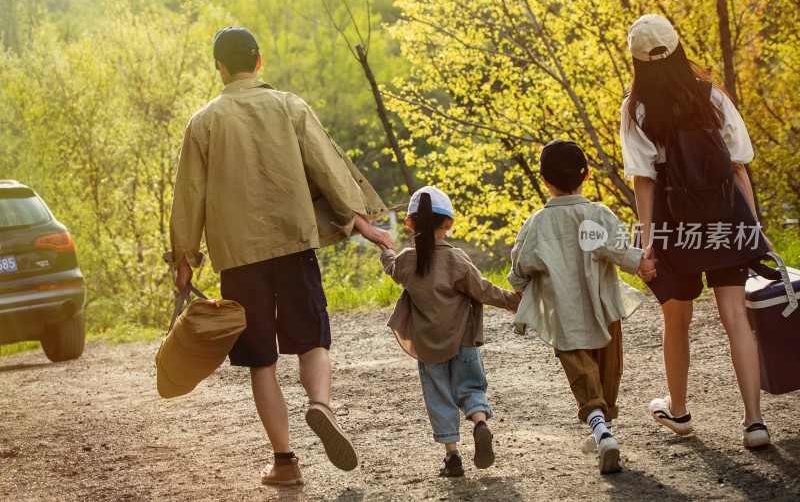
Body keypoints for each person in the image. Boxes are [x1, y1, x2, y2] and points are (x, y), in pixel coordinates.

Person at [163, 27, 396, 486]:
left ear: (220, 67)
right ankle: (320, 406)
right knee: (312, 341)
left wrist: (184, 259)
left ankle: (285, 462)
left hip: (238, 257)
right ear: (260, 61)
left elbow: (189, 194)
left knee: (261, 360)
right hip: (294, 246)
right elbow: (328, 167)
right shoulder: (290, 106)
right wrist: (363, 224)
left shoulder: (204, 122)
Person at [620, 14, 771, 448]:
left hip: (673, 222)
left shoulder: (637, 108)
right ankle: (755, 422)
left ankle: (681, 412)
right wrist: (754, 227)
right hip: (725, 216)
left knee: (677, 320)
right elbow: (739, 162)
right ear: (678, 46)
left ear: (637, 60)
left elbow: (643, 179)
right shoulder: (711, 96)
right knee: (736, 317)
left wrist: (649, 244)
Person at [507, 139, 655, 474]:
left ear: (544, 181)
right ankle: (603, 431)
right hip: (605, 312)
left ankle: (601, 432)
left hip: (565, 316)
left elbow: (519, 270)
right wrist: (643, 264)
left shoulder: (537, 224)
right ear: (586, 175)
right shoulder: (598, 215)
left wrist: (522, 293)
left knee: (583, 378)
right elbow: (622, 253)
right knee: (607, 373)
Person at [378, 186, 520, 478]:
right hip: (464, 342)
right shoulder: (457, 259)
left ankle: (452, 457)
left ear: (409, 224)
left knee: (439, 396)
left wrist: (386, 250)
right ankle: (480, 423)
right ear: (449, 223)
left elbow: (392, 268)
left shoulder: (406, 259)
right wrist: (514, 301)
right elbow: (483, 290)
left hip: (429, 349)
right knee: (471, 387)